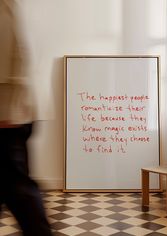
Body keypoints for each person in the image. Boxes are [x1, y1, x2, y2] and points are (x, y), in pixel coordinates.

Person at [0, 1, 53, 235]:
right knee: (15, 185)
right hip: (13, 109)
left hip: (9, 112)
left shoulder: (9, 6)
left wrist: (10, 109)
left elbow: (23, 52)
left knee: (18, 187)